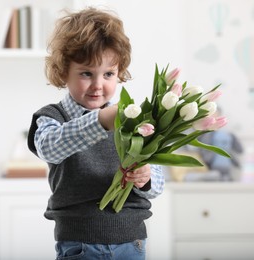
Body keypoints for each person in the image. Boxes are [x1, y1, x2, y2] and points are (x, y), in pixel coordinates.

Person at [27, 7, 165, 260]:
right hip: (80, 241)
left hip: (132, 240)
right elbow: (49, 147)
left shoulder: (131, 119)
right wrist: (101, 120)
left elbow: (156, 185)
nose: (98, 85)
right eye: (86, 73)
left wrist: (145, 177)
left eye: (109, 74)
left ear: (119, 72)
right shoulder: (52, 117)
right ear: (63, 72)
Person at [198, 108, 244, 181]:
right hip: (212, 166)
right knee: (214, 177)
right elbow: (203, 149)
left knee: (227, 179)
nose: (213, 117)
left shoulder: (228, 134)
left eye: (215, 114)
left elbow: (240, 150)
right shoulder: (206, 134)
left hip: (227, 166)